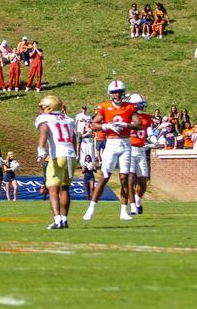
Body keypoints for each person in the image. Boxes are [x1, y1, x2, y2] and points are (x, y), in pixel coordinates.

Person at [83, 81, 135, 223]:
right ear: (110, 93)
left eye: (119, 91)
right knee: (104, 177)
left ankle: (123, 210)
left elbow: (138, 124)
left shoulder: (130, 107)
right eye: (115, 91)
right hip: (111, 143)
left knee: (124, 178)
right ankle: (92, 208)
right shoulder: (105, 107)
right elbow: (93, 124)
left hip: (125, 143)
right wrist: (107, 126)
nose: (117, 94)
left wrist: (126, 124)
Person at [34, 95, 78, 231]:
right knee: (65, 188)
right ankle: (64, 219)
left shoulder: (45, 119)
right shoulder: (69, 120)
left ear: (50, 107)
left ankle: (57, 219)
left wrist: (41, 147)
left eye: (43, 107)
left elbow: (44, 131)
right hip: (71, 155)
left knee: (53, 189)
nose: (41, 109)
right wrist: (75, 153)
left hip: (58, 156)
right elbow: (74, 137)